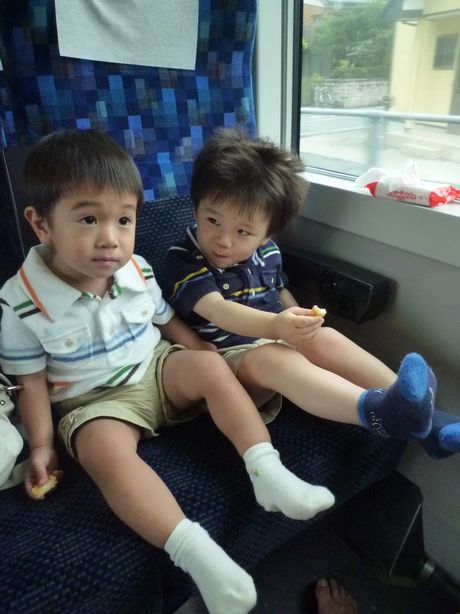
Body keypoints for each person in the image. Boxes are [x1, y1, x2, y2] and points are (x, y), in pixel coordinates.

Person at [0, 129, 345, 614]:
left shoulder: (137, 270)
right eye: (88, 219)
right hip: (95, 401)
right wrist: (41, 445)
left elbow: (167, 322)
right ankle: (197, 554)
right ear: (41, 224)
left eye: (124, 220)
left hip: (157, 369)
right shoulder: (21, 301)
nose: (110, 238)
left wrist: (206, 356)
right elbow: (32, 381)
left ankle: (268, 474)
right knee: (100, 450)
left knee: (206, 364)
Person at [164, 128, 460, 459]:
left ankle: (425, 420)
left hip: (271, 339)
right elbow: (218, 310)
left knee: (325, 337)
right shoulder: (184, 258)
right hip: (224, 369)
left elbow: (279, 291)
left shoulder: (268, 252)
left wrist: (300, 322)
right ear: (196, 209)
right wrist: (276, 326)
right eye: (213, 220)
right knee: (275, 358)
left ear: (266, 235)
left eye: (243, 231)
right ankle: (378, 412)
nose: (224, 240)